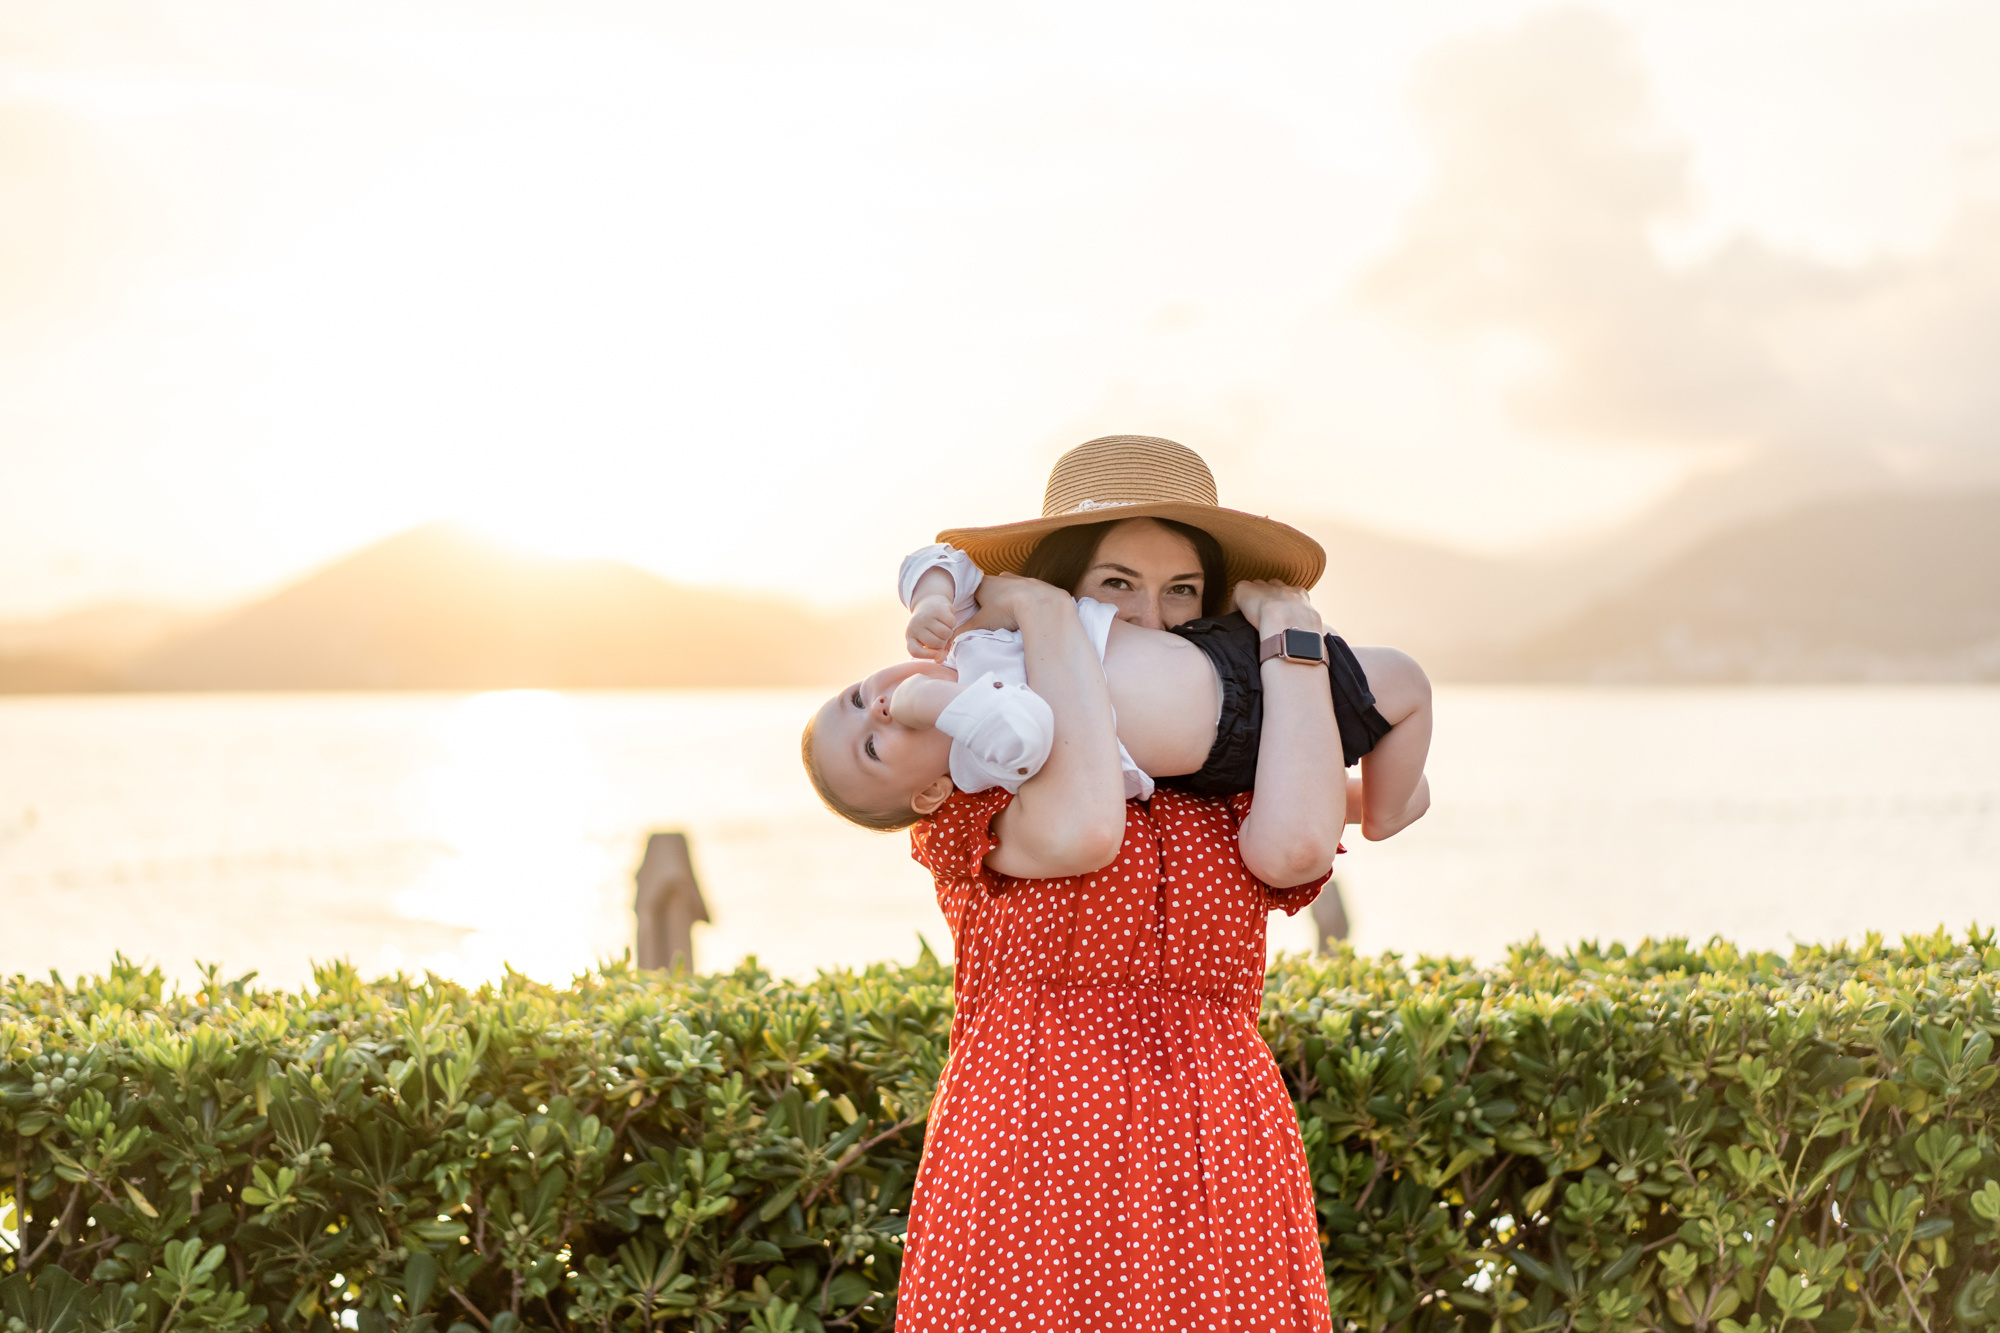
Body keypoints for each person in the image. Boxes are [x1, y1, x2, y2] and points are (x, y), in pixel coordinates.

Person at [880, 435, 1418, 1332]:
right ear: (1064, 590)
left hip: (1219, 1140)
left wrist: (1290, 635)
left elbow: (1321, 830)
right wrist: (1026, 611)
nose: (1153, 622)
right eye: (1116, 585)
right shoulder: (981, 762)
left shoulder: (1244, 777)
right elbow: (1082, 827)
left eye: (1183, 593)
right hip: (1032, 1136)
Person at [801, 550, 1432, 841]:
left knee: (1399, 679)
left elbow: (940, 557)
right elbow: (1029, 730)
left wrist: (933, 599)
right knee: (1406, 683)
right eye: (874, 750)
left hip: (1223, 654)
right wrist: (931, 706)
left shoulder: (969, 639)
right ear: (932, 793)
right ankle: (1386, 808)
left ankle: (1372, 797)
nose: (880, 710)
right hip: (1234, 735)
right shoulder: (978, 760)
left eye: (858, 700)